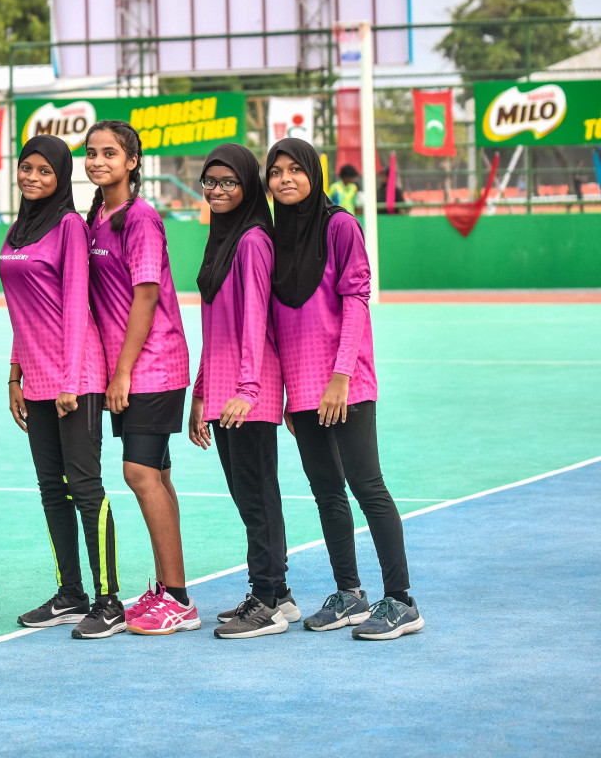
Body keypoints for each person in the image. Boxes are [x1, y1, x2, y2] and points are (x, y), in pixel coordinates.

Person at [267, 138, 423, 641]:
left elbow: (356, 300)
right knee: (326, 491)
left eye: (296, 169)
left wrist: (341, 377)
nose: (286, 178)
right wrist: (293, 394)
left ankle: (401, 601)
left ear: (314, 174)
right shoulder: (275, 239)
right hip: (303, 391)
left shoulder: (340, 226)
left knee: (366, 485)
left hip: (344, 384)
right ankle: (349, 594)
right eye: (276, 171)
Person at [1, 135, 124, 640]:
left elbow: (77, 304)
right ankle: (70, 594)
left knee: (85, 487)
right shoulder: (16, 232)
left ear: (61, 178)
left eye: (44, 171)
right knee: (52, 489)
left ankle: (109, 600)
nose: (32, 177)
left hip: (77, 379)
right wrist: (15, 373)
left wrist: (70, 381)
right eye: (26, 167)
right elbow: (22, 313)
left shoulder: (70, 225)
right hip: (36, 379)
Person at [84, 119, 199, 636]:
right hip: (131, 367)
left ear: (132, 162)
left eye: (110, 153)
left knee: (138, 473)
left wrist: (123, 371)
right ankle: (166, 586)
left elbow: (146, 295)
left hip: (153, 364)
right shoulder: (97, 218)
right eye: (90, 153)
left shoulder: (141, 217)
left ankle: (177, 599)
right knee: (158, 475)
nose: (97, 161)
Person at [186, 144, 296, 639]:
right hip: (226, 388)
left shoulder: (252, 240)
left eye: (229, 181)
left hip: (251, 390)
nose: (218, 190)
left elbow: (255, 321)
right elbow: (216, 329)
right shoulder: (222, 238)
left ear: (249, 185)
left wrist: (246, 390)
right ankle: (276, 593)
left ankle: (270, 598)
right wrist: (201, 393)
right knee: (244, 493)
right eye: (211, 181)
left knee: (256, 493)